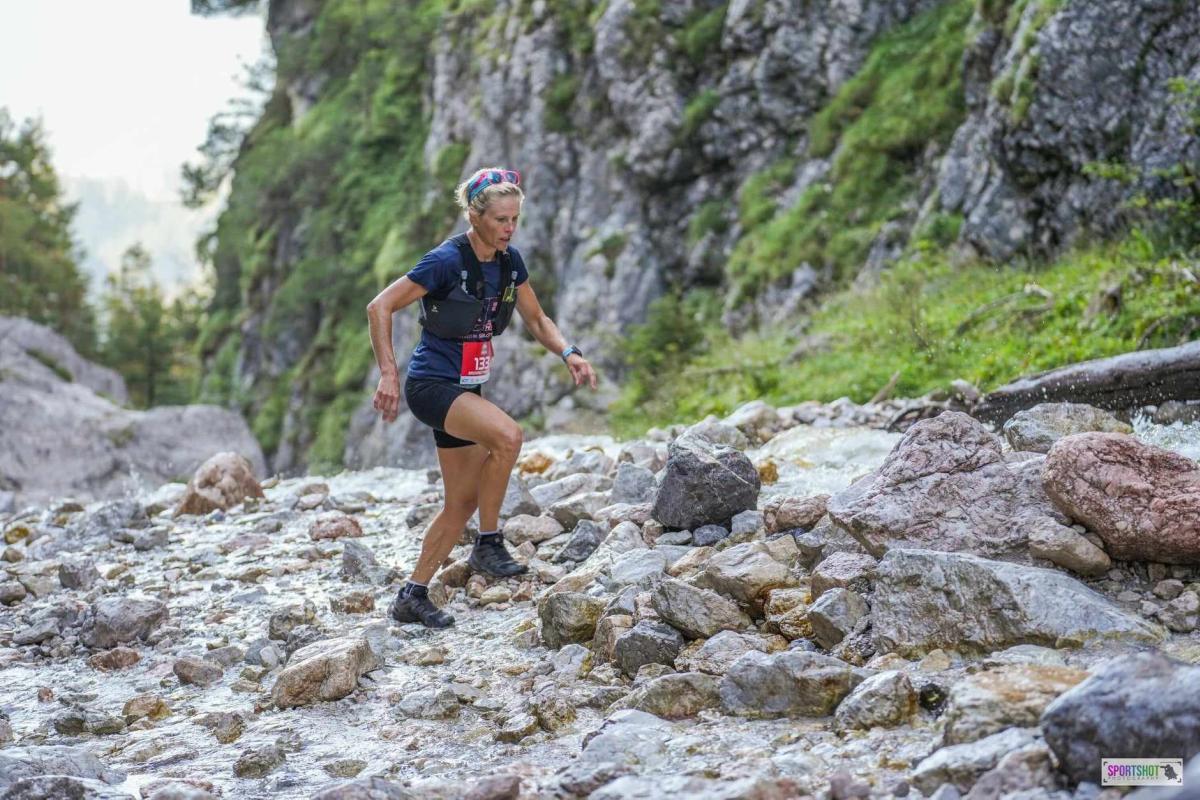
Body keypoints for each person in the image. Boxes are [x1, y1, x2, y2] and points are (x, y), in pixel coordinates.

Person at [366, 167, 598, 628]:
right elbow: (380, 306)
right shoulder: (445, 260)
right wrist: (388, 374)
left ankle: (412, 595)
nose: (509, 229)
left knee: (460, 503)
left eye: (514, 219)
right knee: (509, 437)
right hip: (431, 385)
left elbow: (537, 319)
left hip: (466, 387)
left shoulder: (509, 263)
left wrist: (568, 352)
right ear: (475, 217)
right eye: (500, 220)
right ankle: (488, 543)